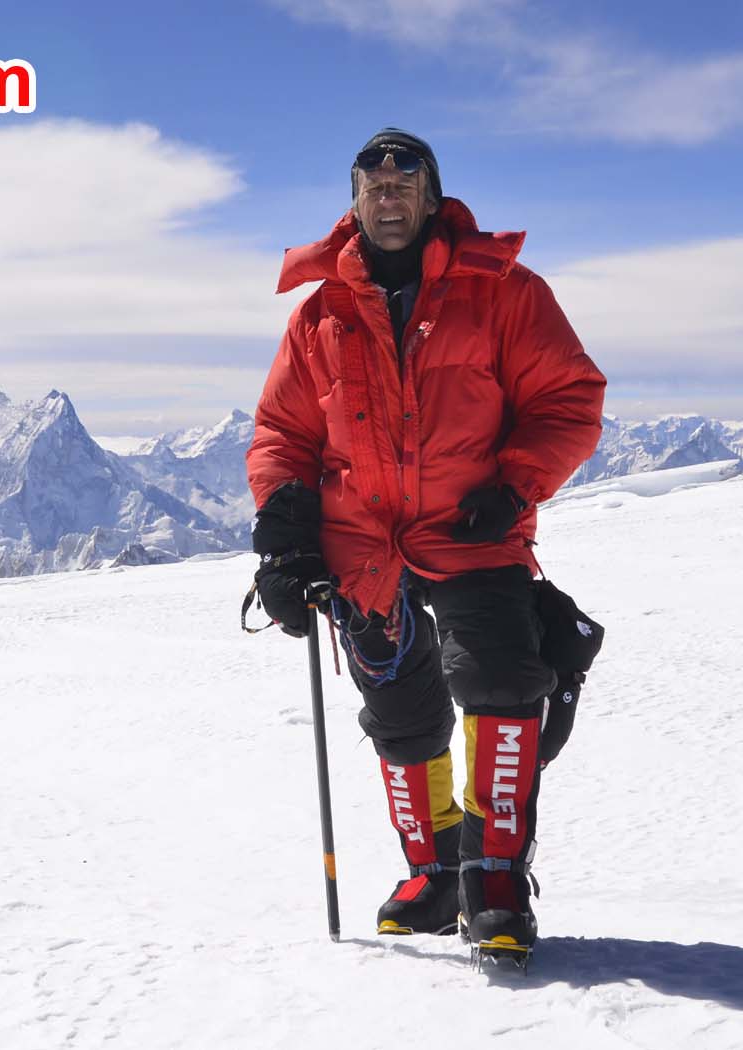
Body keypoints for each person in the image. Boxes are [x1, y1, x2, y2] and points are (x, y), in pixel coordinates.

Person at [245, 128, 606, 954]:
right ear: (355, 203)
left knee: (504, 683)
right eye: (372, 183)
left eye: (405, 180)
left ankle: (495, 875)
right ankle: (433, 872)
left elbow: (569, 399)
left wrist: (514, 484)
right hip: (362, 550)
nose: (389, 192)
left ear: (432, 197)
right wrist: (285, 535)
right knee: (401, 716)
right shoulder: (320, 317)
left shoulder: (505, 293)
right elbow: (281, 435)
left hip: (472, 531)